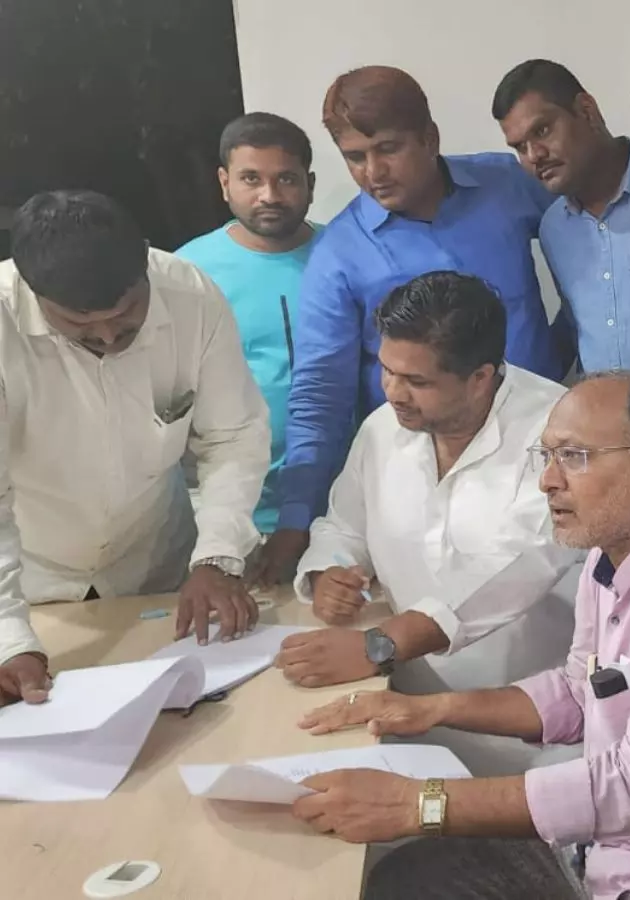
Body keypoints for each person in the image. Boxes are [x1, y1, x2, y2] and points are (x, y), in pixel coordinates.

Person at [291, 372, 630, 900]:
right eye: (547, 455)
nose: (548, 480)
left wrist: (418, 804)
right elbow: (582, 692)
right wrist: (432, 709)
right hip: (623, 852)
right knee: (405, 875)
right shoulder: (614, 551)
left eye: (574, 456)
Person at [277, 66, 565, 583]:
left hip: (539, 449)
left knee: (542, 593)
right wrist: (296, 521)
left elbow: (590, 237)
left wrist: (572, 349)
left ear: (429, 139)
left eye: (388, 149)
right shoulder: (339, 254)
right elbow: (320, 395)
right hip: (427, 466)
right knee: (435, 601)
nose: (373, 172)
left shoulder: (508, 184)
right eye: (355, 157)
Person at [0, 191, 270, 705]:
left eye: (126, 316)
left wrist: (217, 557)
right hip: (34, 588)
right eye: (81, 326)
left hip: (159, 574)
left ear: (145, 262)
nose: (108, 337)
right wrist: (9, 640)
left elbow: (231, 437)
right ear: (33, 292)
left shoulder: (191, 297)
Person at [272, 271, 577, 697]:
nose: (393, 393)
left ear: (480, 378)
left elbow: (518, 566)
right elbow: (345, 527)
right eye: (386, 370)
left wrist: (379, 645)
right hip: (400, 688)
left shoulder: (562, 433)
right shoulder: (383, 428)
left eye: (416, 381)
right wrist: (329, 572)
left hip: (530, 703)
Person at [176, 112, 319, 587]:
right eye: (251, 178)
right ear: (224, 183)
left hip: (343, 509)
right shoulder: (188, 274)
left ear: (310, 182)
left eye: (286, 179)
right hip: (233, 518)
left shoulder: (345, 254)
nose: (270, 195)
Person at [494, 59, 630, 378]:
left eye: (542, 130)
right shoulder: (553, 229)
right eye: (520, 147)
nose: (534, 155)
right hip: (601, 409)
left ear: (587, 111)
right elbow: (577, 327)